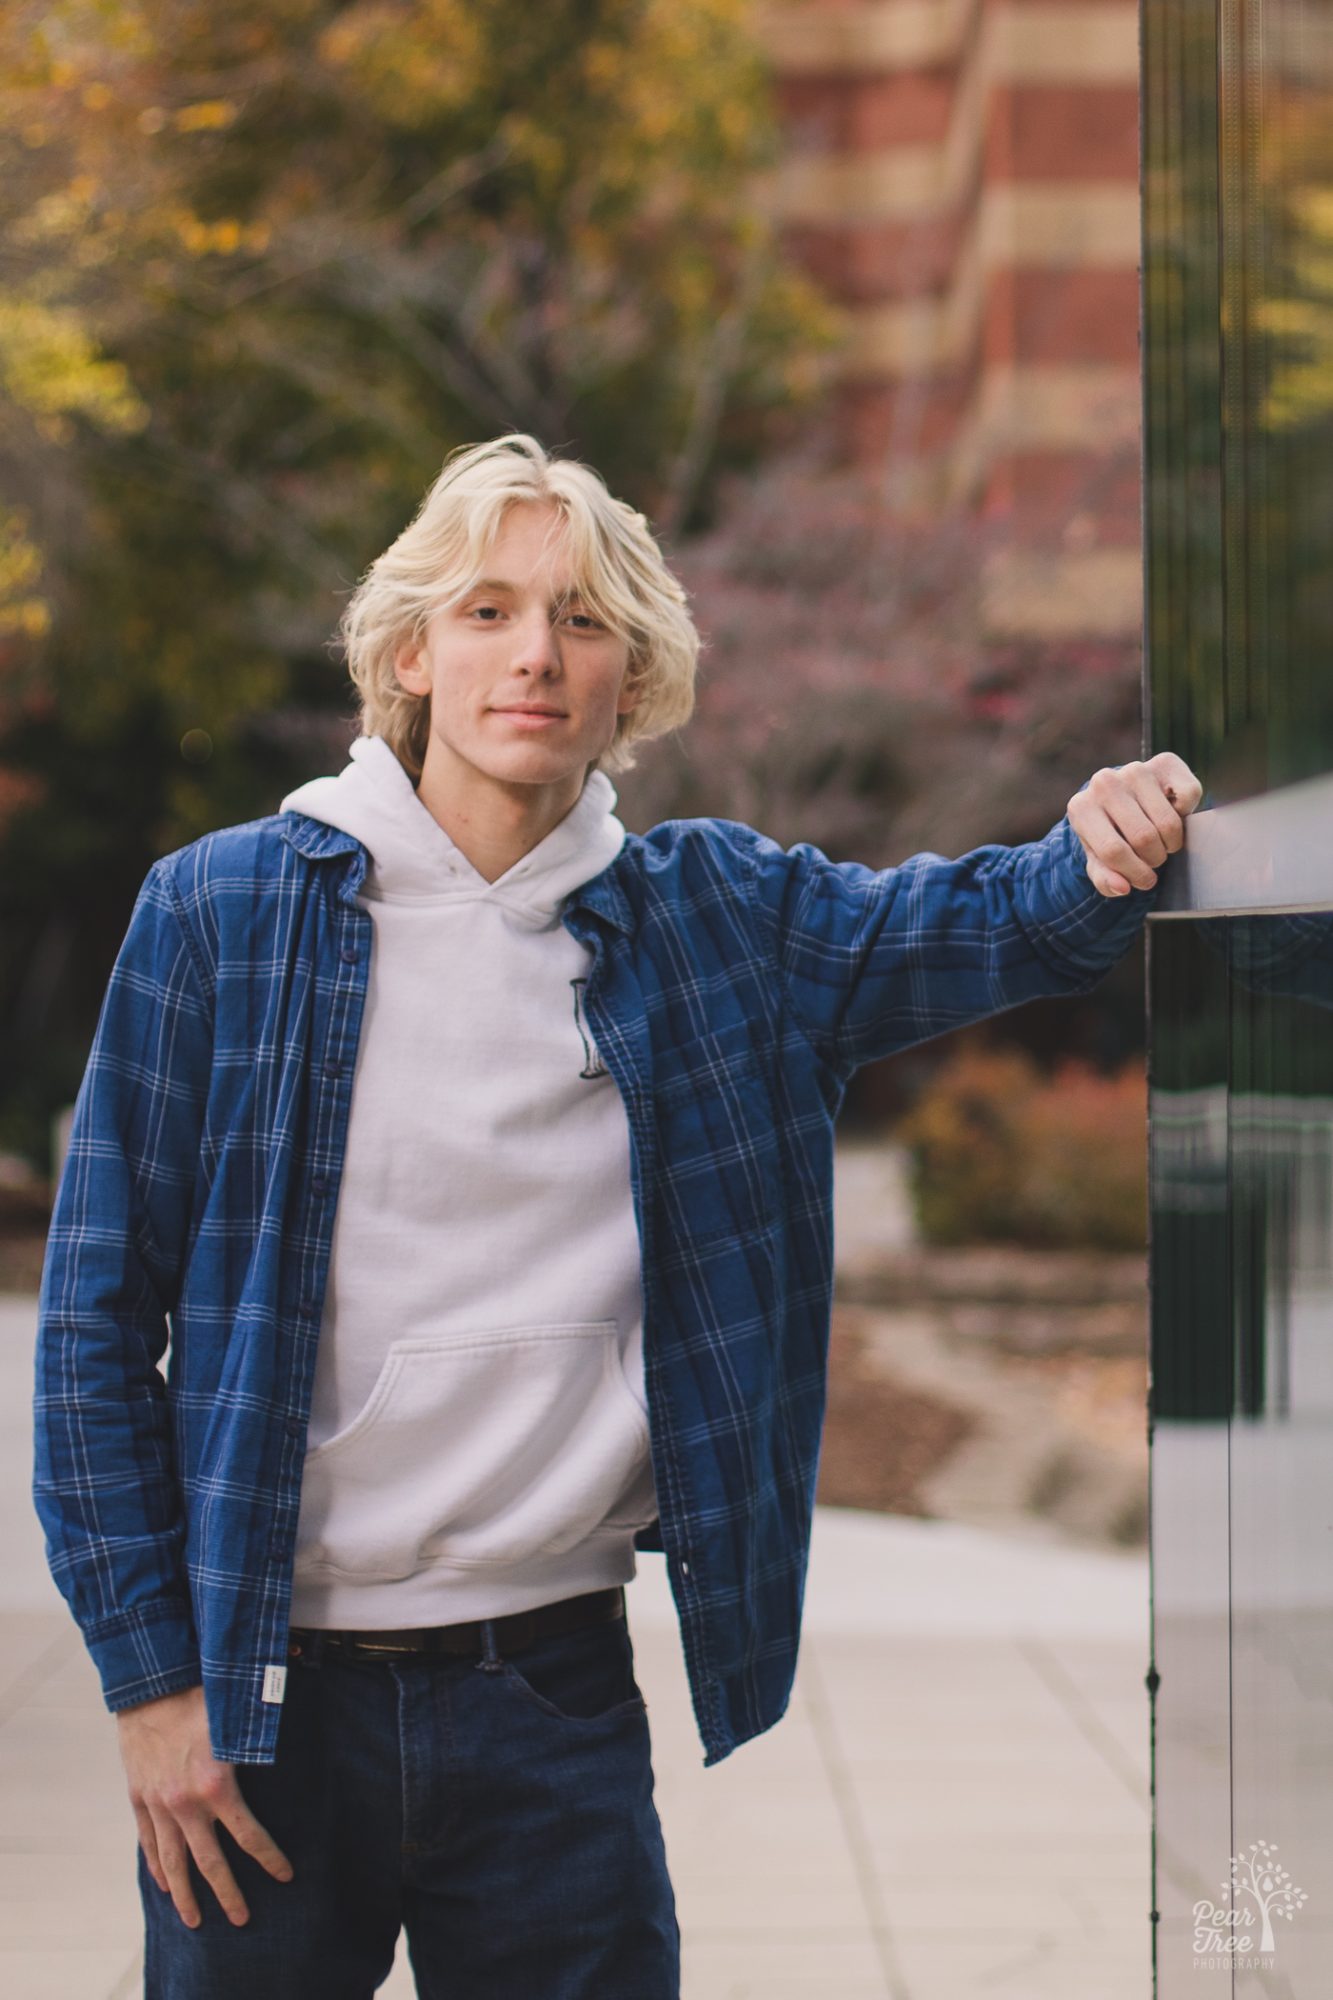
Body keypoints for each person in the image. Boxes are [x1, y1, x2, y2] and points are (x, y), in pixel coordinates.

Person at [31, 432, 1202, 1999]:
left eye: (583, 620)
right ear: (408, 652)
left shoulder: (711, 923)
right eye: (491, 610)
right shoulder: (223, 913)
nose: (536, 654)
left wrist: (1103, 845)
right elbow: (95, 1325)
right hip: (262, 1702)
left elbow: (990, 920)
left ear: (632, 675)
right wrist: (145, 1684)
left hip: (550, 1702)